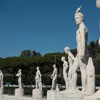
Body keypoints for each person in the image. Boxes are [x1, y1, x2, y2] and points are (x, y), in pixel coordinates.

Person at [71, 6, 89, 92]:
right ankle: (73, 88)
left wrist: (82, 52)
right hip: (79, 52)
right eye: (75, 18)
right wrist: (77, 11)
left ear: (82, 18)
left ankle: (84, 89)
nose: (75, 19)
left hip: (83, 51)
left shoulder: (82, 27)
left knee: (83, 69)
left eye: (77, 18)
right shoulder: (80, 27)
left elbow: (83, 39)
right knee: (73, 70)